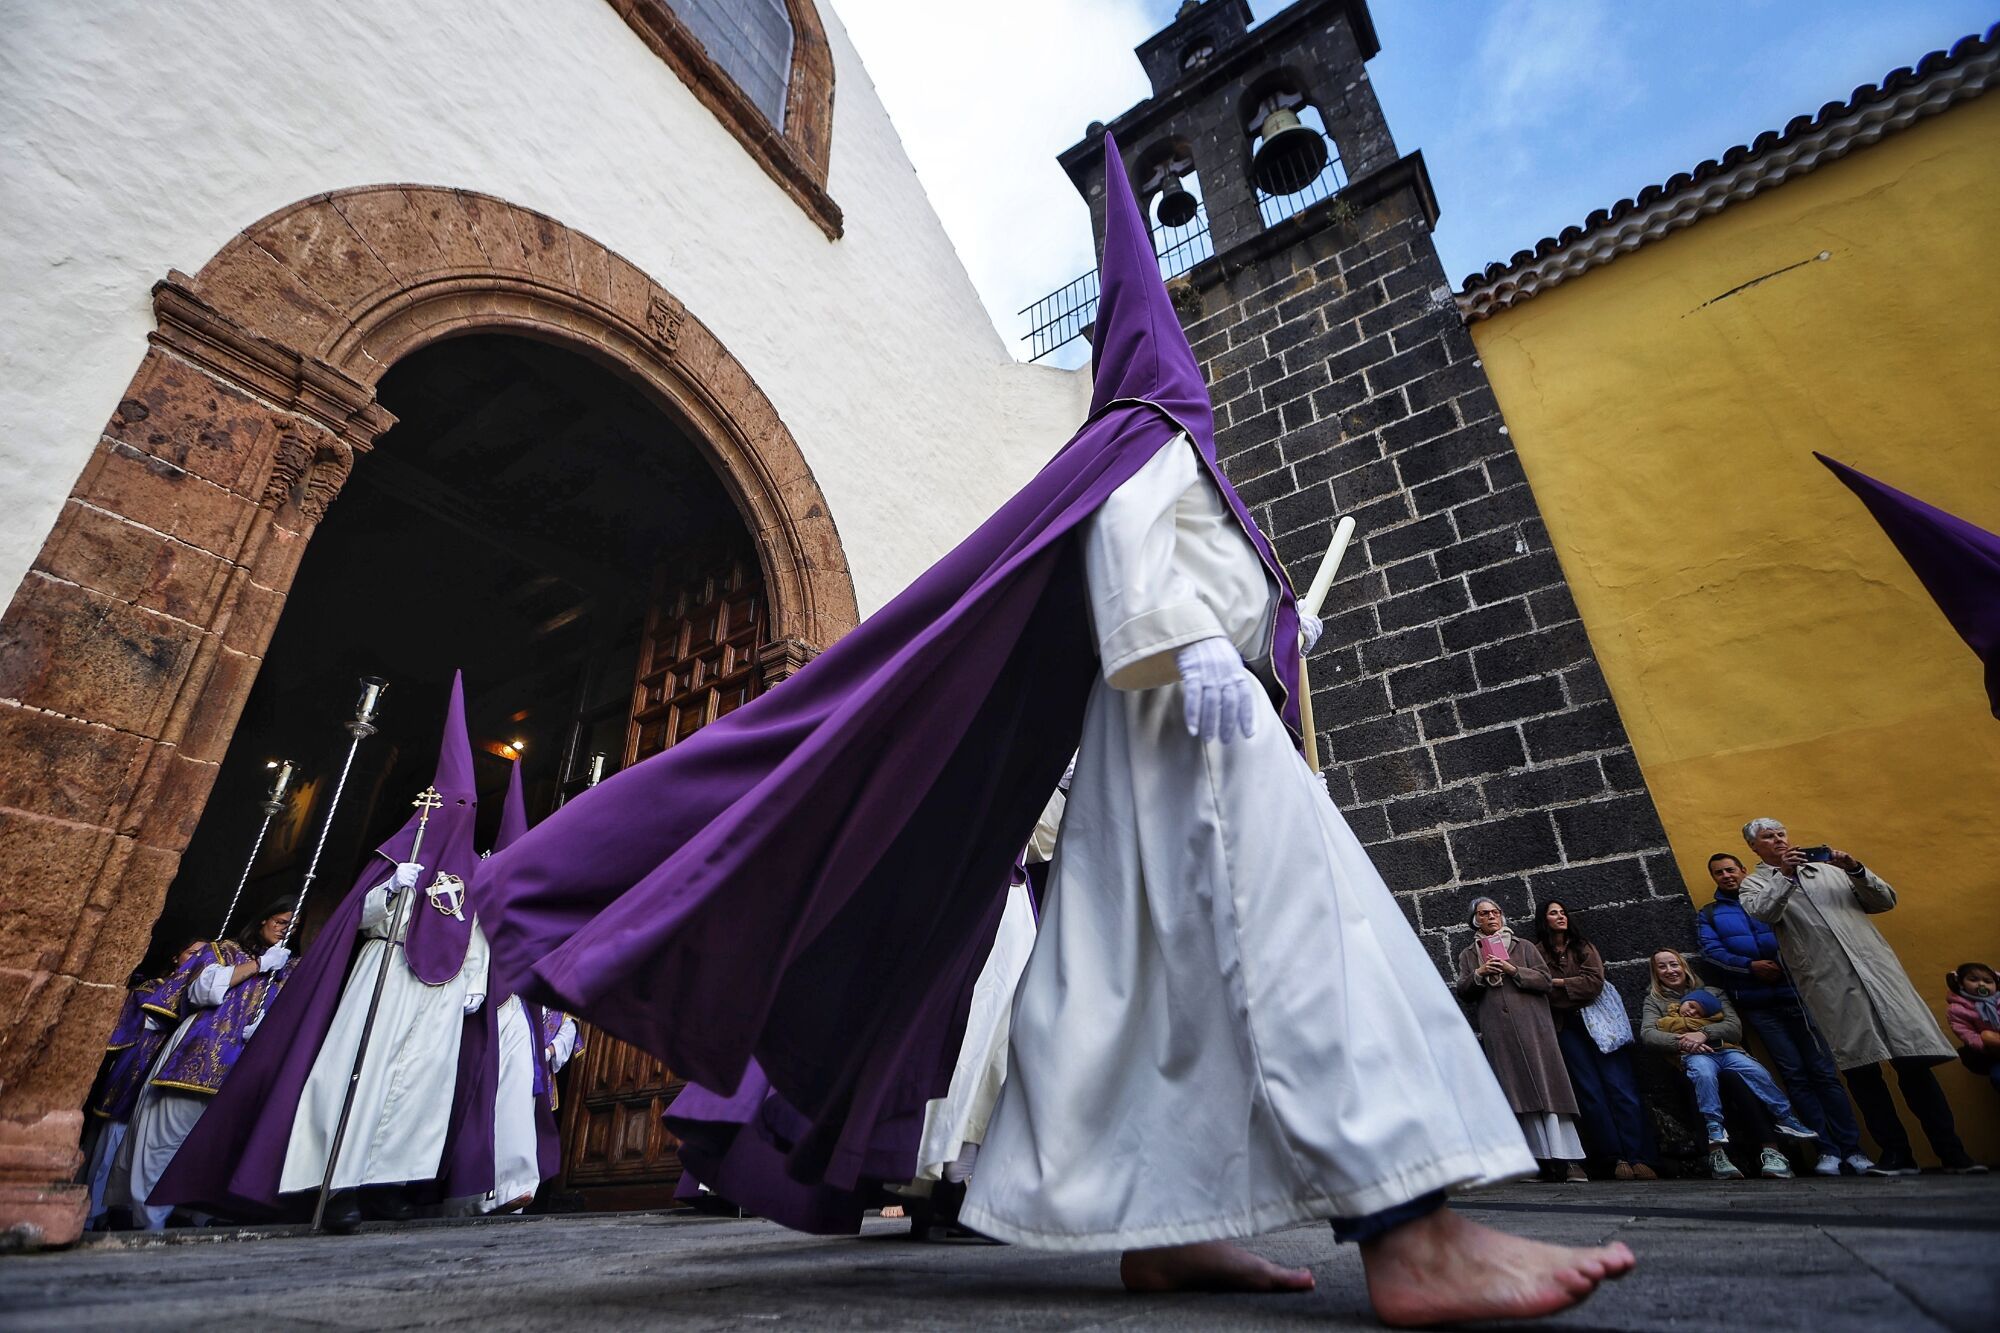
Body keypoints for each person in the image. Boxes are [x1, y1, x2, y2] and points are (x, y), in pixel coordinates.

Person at [480, 133, 1634, 1326]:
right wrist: (1227, 680)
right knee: (1305, 938)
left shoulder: (1150, 448)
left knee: (1145, 994)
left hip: (1156, 752)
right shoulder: (1150, 440)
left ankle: (1166, 1228)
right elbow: (1144, 590)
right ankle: (1413, 1230)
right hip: (1201, 747)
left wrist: (1262, 642)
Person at [155, 673, 500, 1229]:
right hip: (387, 974)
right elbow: (357, 920)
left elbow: (479, 934)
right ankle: (337, 1182)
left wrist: (477, 985)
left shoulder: (478, 874)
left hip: (444, 992)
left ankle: (390, 1182)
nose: (459, 810)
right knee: (358, 1072)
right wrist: (390, 890)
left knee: (421, 1089)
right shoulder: (400, 855)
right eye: (452, 801)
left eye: (469, 803)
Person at [1736, 819, 1981, 1175]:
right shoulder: (1756, 883)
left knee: (1913, 1065)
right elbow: (1763, 912)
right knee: (1863, 1072)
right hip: (1830, 986)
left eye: (1780, 834)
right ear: (1754, 848)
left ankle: (1953, 1154)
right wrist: (1785, 877)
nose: (1777, 840)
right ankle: (1897, 1155)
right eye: (1767, 838)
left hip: (1878, 978)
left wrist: (1855, 869)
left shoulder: (1828, 870)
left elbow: (1885, 901)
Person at [109, 905, 296, 1229]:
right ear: (263, 918)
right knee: (165, 1141)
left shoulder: (290, 968)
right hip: (197, 1054)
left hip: (244, 1068)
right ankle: (148, 1221)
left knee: (215, 1144)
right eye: (281, 921)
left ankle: (194, 1213)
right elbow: (199, 991)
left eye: (294, 925)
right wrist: (258, 966)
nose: (285, 929)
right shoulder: (224, 951)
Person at [1696, 853, 1866, 1175]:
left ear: (1743, 871)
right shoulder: (1711, 912)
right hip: (1758, 1003)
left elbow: (1801, 936)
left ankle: (1853, 1149)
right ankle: (1825, 1150)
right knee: (1795, 1077)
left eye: (1731, 870)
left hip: (1798, 997)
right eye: (1719, 873)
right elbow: (1711, 950)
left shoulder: (1770, 898)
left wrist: (1784, 965)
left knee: (1825, 1074)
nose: (1726, 876)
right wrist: (1750, 966)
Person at [1640, 951, 1815, 1181]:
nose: (1670, 971)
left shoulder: (1713, 993)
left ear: (1684, 966)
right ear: (1656, 974)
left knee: (1745, 1077)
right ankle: (1716, 1154)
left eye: (1674, 964)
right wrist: (1686, 1043)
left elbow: (1733, 1027)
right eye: (1662, 967)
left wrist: (1703, 1035)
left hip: (1727, 1053)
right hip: (1690, 1060)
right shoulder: (1655, 1001)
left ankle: (1772, 1149)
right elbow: (1648, 1034)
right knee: (1699, 1078)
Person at [1454, 900, 1588, 1183]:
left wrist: (1513, 970)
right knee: (1517, 1092)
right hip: (1500, 1030)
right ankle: (1535, 1160)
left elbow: (1545, 980)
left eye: (1495, 912)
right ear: (1475, 921)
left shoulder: (1523, 947)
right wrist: (1480, 974)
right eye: (1484, 914)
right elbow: (1464, 990)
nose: (1491, 917)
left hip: (1533, 1026)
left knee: (1549, 1086)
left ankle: (1570, 1160)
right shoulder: (1469, 954)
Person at [81, 941, 202, 1227]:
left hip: (171, 1076)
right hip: (137, 1072)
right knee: (111, 1142)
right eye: (191, 952)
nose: (198, 958)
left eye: (203, 954)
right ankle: (92, 1213)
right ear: (176, 957)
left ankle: (129, 1212)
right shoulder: (151, 987)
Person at [1533, 901, 1656, 1180]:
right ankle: (1614, 1158)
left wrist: (1560, 984)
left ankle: (1640, 1156)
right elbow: (1540, 988)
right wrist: (1562, 985)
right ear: (1544, 919)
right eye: (1554, 913)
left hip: (1600, 1023)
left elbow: (1593, 983)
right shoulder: (1537, 952)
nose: (1560, 917)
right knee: (1590, 1094)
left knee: (1621, 1087)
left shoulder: (1582, 946)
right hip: (1566, 1026)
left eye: (1563, 912)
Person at [1944, 963, 2000, 1093]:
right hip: (1994, 1052)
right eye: (1973, 980)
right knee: (1986, 1035)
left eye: (1988, 981)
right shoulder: (1957, 1009)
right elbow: (1966, 1033)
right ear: (1961, 984)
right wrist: (1985, 1046)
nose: (1981, 984)